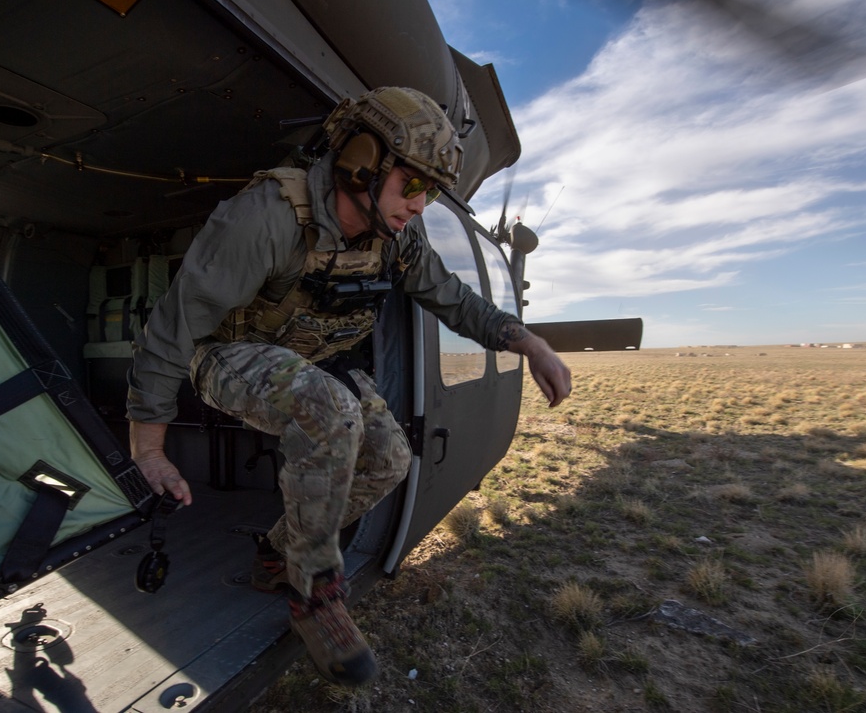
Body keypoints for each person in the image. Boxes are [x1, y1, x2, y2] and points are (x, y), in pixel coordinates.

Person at [126, 86, 571, 686]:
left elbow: (456, 301)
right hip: (224, 355)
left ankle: (277, 553)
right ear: (362, 161)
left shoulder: (399, 238)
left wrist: (530, 342)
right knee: (333, 409)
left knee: (389, 459)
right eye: (413, 185)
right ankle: (315, 592)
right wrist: (148, 447)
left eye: (432, 193)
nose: (420, 205)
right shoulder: (267, 217)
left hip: (312, 364)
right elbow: (174, 326)